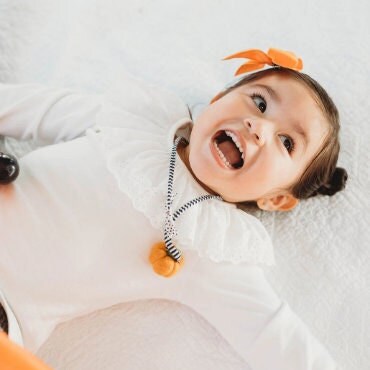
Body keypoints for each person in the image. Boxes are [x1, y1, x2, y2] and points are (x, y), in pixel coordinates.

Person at [0, 48, 347, 369]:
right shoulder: (131, 121)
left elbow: (276, 335)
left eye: (287, 142)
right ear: (217, 99)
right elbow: (27, 107)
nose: (259, 127)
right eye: (259, 101)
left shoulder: (213, 247)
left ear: (276, 200)